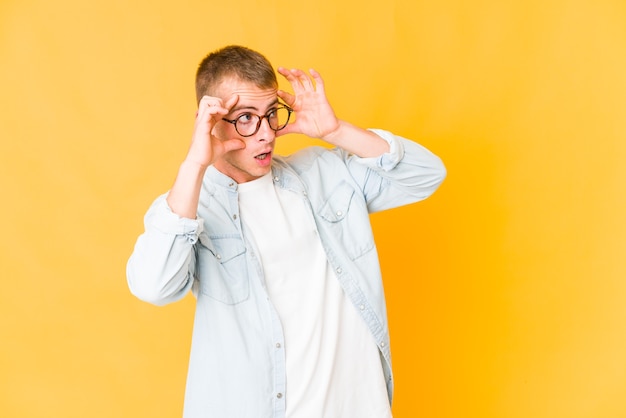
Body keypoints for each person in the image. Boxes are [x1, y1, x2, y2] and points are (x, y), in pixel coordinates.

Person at [127, 45, 446, 418]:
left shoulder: (322, 173)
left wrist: (336, 130)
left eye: (270, 114)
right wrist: (196, 164)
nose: (265, 134)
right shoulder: (190, 206)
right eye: (246, 118)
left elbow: (426, 175)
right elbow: (154, 286)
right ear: (209, 120)